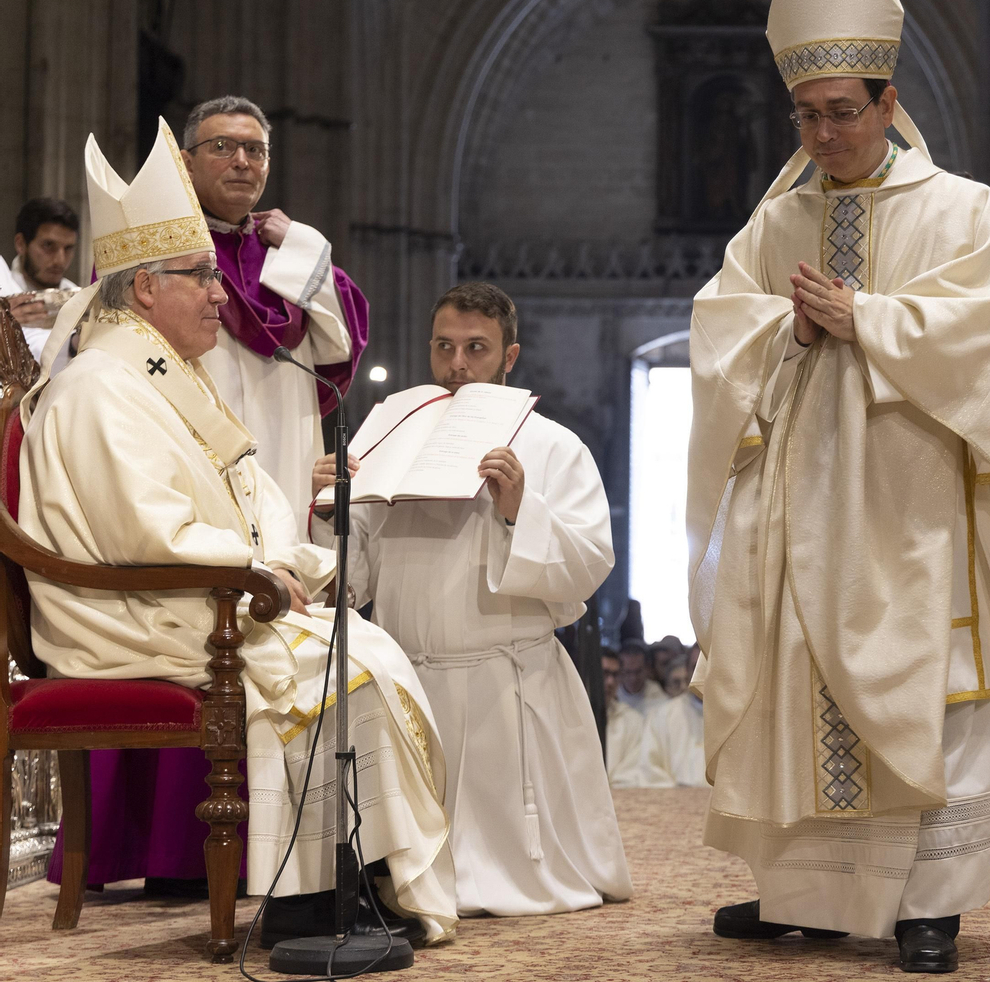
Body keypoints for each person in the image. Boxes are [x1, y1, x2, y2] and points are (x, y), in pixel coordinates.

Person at [686, 0, 990, 974]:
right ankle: (812, 894)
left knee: (938, 691)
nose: (824, 133)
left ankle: (930, 904)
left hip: (919, 501)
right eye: (807, 115)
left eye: (842, 112)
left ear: (888, 103)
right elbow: (717, 327)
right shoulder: (774, 218)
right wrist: (784, 330)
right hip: (801, 504)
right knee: (800, 688)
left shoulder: (964, 212)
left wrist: (868, 319)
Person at [23, 120, 454, 945]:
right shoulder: (99, 390)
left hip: (188, 595)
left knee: (361, 648)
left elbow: (245, 493)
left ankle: (352, 882)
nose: (223, 293)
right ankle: (307, 903)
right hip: (127, 617)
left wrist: (297, 561)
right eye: (201, 278)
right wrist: (258, 575)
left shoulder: (156, 376)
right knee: (343, 675)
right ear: (144, 289)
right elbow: (146, 533)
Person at [309, 281, 631, 916]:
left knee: (514, 864)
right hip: (414, 676)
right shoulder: (391, 439)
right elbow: (354, 581)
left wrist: (518, 511)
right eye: (445, 346)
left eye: (477, 349)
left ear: (510, 356)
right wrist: (329, 509)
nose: (457, 365)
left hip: (504, 675)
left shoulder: (555, 446)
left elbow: (590, 563)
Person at [181, 95, 368, 526]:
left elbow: (343, 341)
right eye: (223, 147)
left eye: (256, 150)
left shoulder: (287, 251)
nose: (243, 161)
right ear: (187, 163)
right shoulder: (163, 254)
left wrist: (302, 243)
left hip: (287, 450)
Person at [4, 198, 81, 359]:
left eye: (68, 248)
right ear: (21, 244)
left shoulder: (79, 300)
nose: (60, 260)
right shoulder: (4, 288)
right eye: (48, 246)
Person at [638, 672, 709, 789]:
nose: (703, 674)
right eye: (696, 667)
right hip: (673, 801)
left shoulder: (736, 716)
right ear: (688, 675)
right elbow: (650, 767)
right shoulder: (662, 715)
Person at [601, 646, 647, 788]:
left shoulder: (632, 720)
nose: (610, 682)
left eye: (615, 675)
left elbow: (634, 771)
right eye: (604, 674)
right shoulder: (566, 717)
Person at [616, 639, 665, 713]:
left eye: (638, 672)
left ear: (647, 669)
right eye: (627, 672)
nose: (633, 678)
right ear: (619, 670)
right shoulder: (612, 693)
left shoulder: (657, 694)